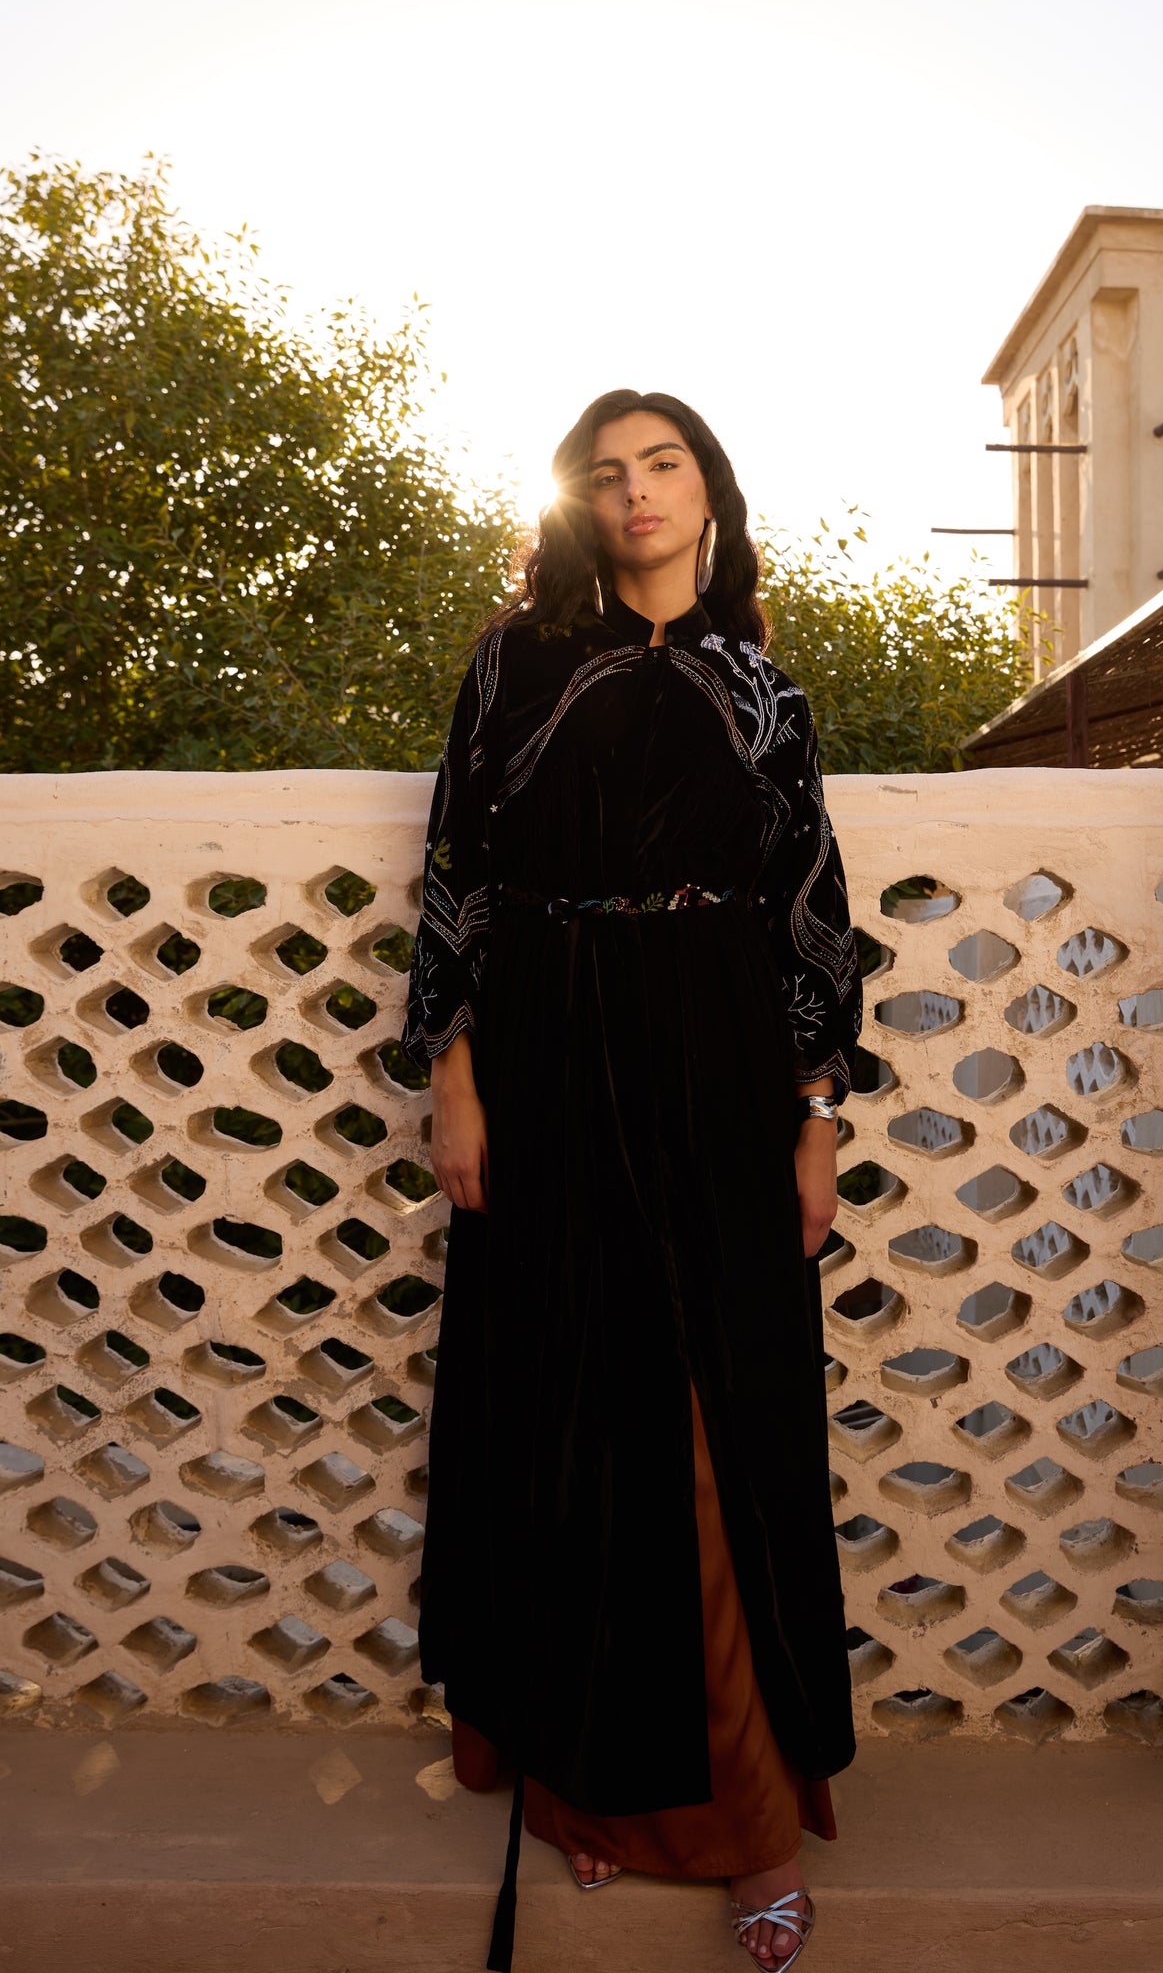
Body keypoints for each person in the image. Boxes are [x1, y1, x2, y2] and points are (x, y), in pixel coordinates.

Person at [399, 388, 863, 1971]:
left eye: (662, 464)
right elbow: (457, 867)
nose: (635, 491)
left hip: (718, 1062)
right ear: (579, 505)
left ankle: (745, 1822)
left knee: (715, 1424)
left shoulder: (766, 691)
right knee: (569, 1416)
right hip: (548, 1052)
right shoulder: (514, 663)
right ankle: (585, 1782)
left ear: (708, 493)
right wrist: (455, 1080)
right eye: (606, 473)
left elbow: (807, 910)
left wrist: (815, 1116)